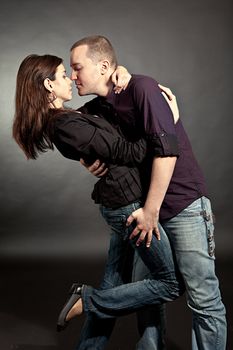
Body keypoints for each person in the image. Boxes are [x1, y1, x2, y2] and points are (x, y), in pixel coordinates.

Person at [13, 54, 185, 349]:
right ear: (48, 85)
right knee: (170, 283)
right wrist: (167, 121)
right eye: (62, 75)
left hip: (120, 203)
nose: (70, 78)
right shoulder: (65, 126)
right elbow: (128, 152)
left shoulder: (68, 118)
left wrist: (120, 74)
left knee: (112, 286)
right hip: (127, 207)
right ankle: (87, 298)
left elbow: (102, 108)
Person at [69, 35, 227, 350]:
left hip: (182, 205)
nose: (73, 76)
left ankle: (88, 301)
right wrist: (88, 159)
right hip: (143, 209)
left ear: (102, 66)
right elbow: (71, 130)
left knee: (203, 298)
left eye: (77, 68)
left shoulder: (142, 88)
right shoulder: (98, 107)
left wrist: (151, 210)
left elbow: (167, 152)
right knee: (148, 295)